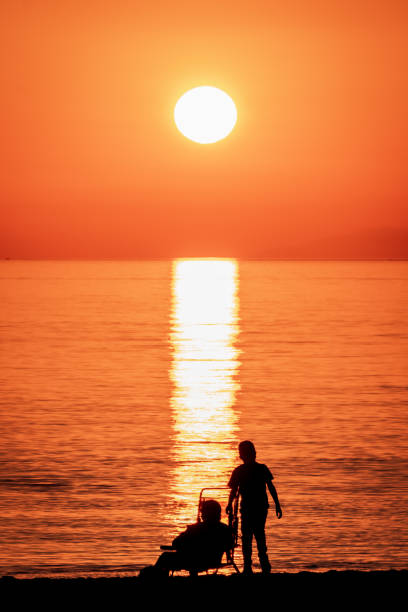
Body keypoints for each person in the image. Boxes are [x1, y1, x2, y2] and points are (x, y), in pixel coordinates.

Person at [226, 440, 282, 575]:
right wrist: (277, 505)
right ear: (254, 453)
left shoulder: (241, 470)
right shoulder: (261, 468)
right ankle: (263, 566)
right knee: (258, 535)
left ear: (242, 455)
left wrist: (229, 504)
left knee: (248, 537)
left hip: (251, 508)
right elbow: (271, 488)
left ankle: (249, 567)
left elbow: (233, 491)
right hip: (259, 507)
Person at [139, 499, 234, 578]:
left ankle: (157, 579)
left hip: (194, 560)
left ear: (206, 513)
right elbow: (230, 544)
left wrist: (187, 545)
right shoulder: (225, 529)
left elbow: (176, 543)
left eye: (203, 511)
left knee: (165, 557)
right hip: (213, 560)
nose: (201, 514)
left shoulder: (196, 529)